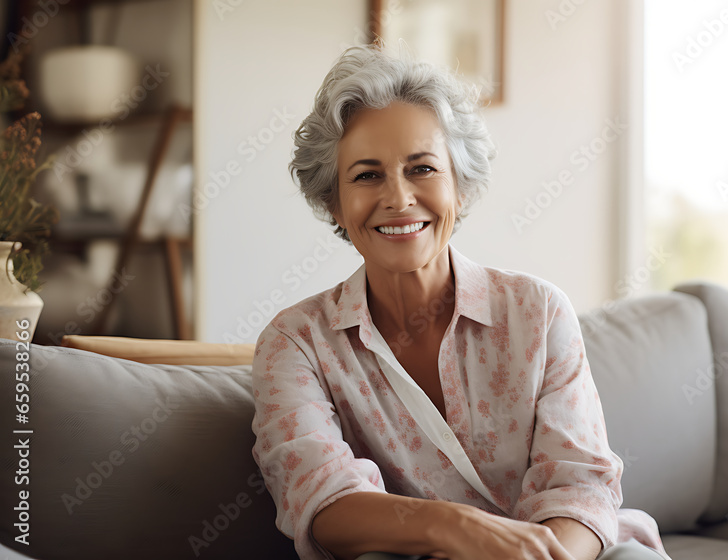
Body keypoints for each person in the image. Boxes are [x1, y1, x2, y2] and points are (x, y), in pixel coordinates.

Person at [250, 44, 670, 560]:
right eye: (367, 175)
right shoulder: (296, 342)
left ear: (461, 187)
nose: (398, 198)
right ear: (334, 202)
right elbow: (319, 499)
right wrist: (455, 528)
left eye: (422, 168)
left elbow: (580, 487)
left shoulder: (538, 312)